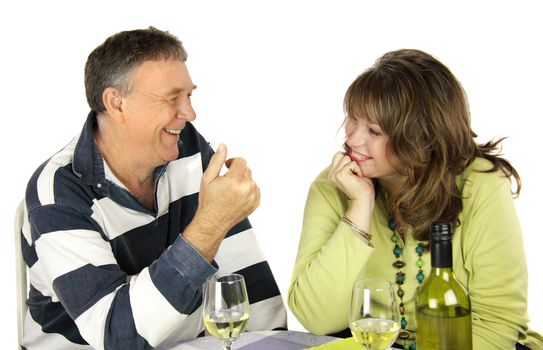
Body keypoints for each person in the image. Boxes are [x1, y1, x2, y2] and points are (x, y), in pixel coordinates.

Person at [20, 27, 286, 349]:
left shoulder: (186, 148)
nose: (189, 113)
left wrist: (273, 344)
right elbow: (119, 335)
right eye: (172, 97)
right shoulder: (58, 194)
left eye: (189, 95)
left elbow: (248, 295)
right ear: (116, 103)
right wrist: (212, 223)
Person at [288, 49, 543, 349]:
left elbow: (497, 323)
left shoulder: (481, 184)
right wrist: (360, 207)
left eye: (374, 130)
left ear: (420, 138)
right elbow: (316, 318)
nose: (352, 139)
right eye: (352, 120)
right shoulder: (334, 186)